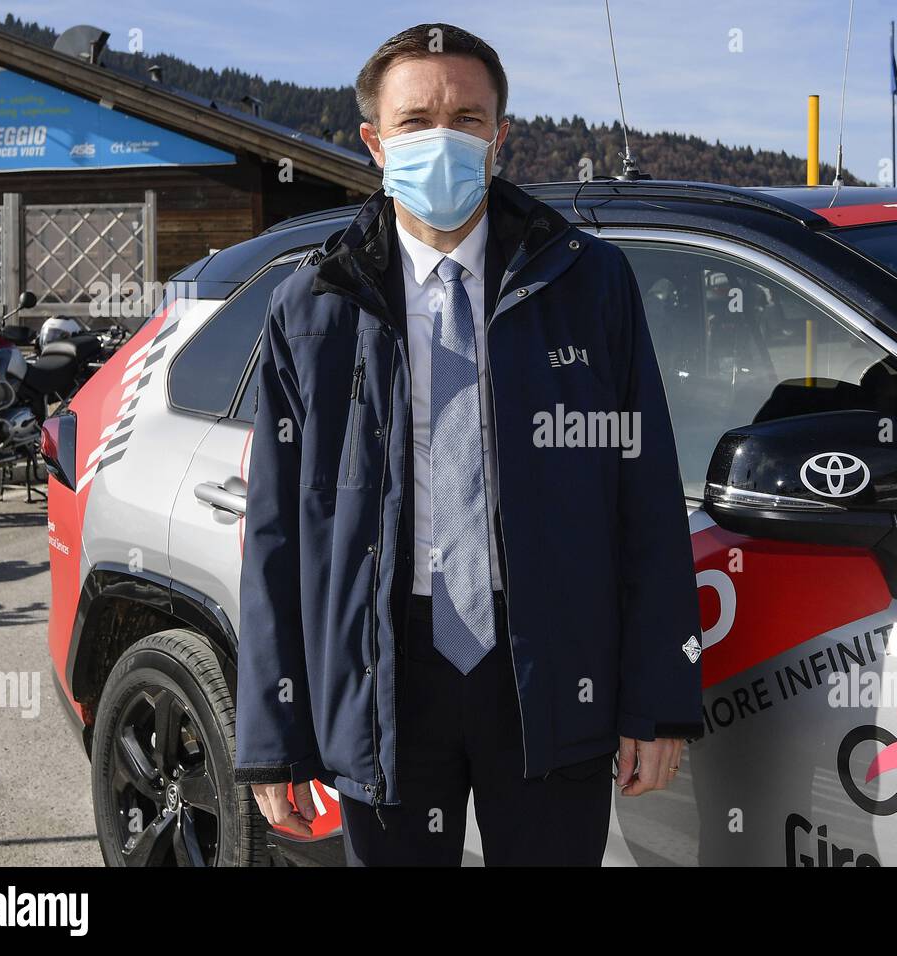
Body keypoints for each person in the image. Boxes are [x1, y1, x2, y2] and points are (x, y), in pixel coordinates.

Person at [234, 21, 702, 866]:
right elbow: (273, 532)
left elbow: (647, 497)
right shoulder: (311, 309)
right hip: (385, 675)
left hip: (552, 666)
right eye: (416, 122)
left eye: (467, 118)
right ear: (375, 142)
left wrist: (658, 698)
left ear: (500, 137)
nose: (442, 139)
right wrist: (273, 730)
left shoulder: (589, 283)